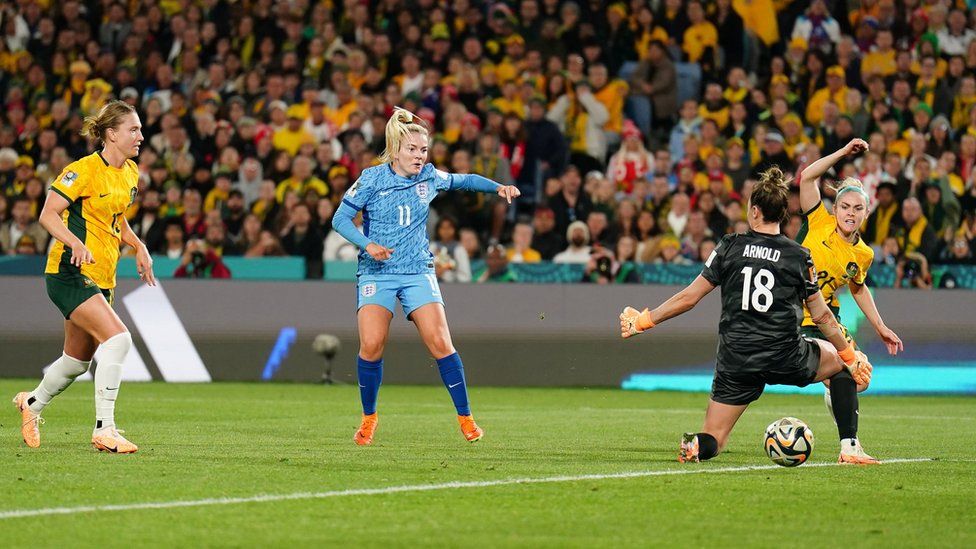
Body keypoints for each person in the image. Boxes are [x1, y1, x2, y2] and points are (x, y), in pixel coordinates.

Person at [619, 167, 876, 465]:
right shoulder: (797, 255)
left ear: (754, 211)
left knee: (714, 437)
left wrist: (643, 320)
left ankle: (694, 446)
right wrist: (848, 354)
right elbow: (822, 317)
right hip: (786, 354)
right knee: (839, 366)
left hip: (736, 359)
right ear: (783, 215)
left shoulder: (729, 246)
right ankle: (849, 447)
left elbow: (689, 298)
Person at [331, 108, 520, 445]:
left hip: (417, 270)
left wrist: (497, 188)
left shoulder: (429, 176)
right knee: (371, 346)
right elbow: (341, 219)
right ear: (395, 150)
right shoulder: (372, 179)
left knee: (440, 344)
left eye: (423, 150)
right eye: (412, 150)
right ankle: (368, 417)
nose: (419, 156)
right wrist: (367, 243)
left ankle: (466, 419)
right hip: (378, 271)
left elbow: (465, 180)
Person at [12, 100, 155, 454]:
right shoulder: (84, 170)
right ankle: (105, 429)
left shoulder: (131, 172)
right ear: (111, 134)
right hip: (69, 271)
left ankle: (31, 405)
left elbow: (115, 219)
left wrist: (138, 246)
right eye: (132, 129)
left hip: (103, 276)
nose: (140, 135)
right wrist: (74, 242)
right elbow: (48, 214)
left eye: (139, 129)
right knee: (119, 339)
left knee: (76, 362)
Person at [796, 139, 904, 418]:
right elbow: (807, 177)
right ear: (835, 209)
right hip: (792, 311)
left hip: (826, 317)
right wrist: (843, 152)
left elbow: (858, 288)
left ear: (866, 213)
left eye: (858, 208)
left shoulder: (863, 254)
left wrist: (880, 326)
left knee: (861, 377)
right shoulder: (818, 221)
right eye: (845, 207)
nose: (850, 213)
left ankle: (847, 437)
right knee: (840, 369)